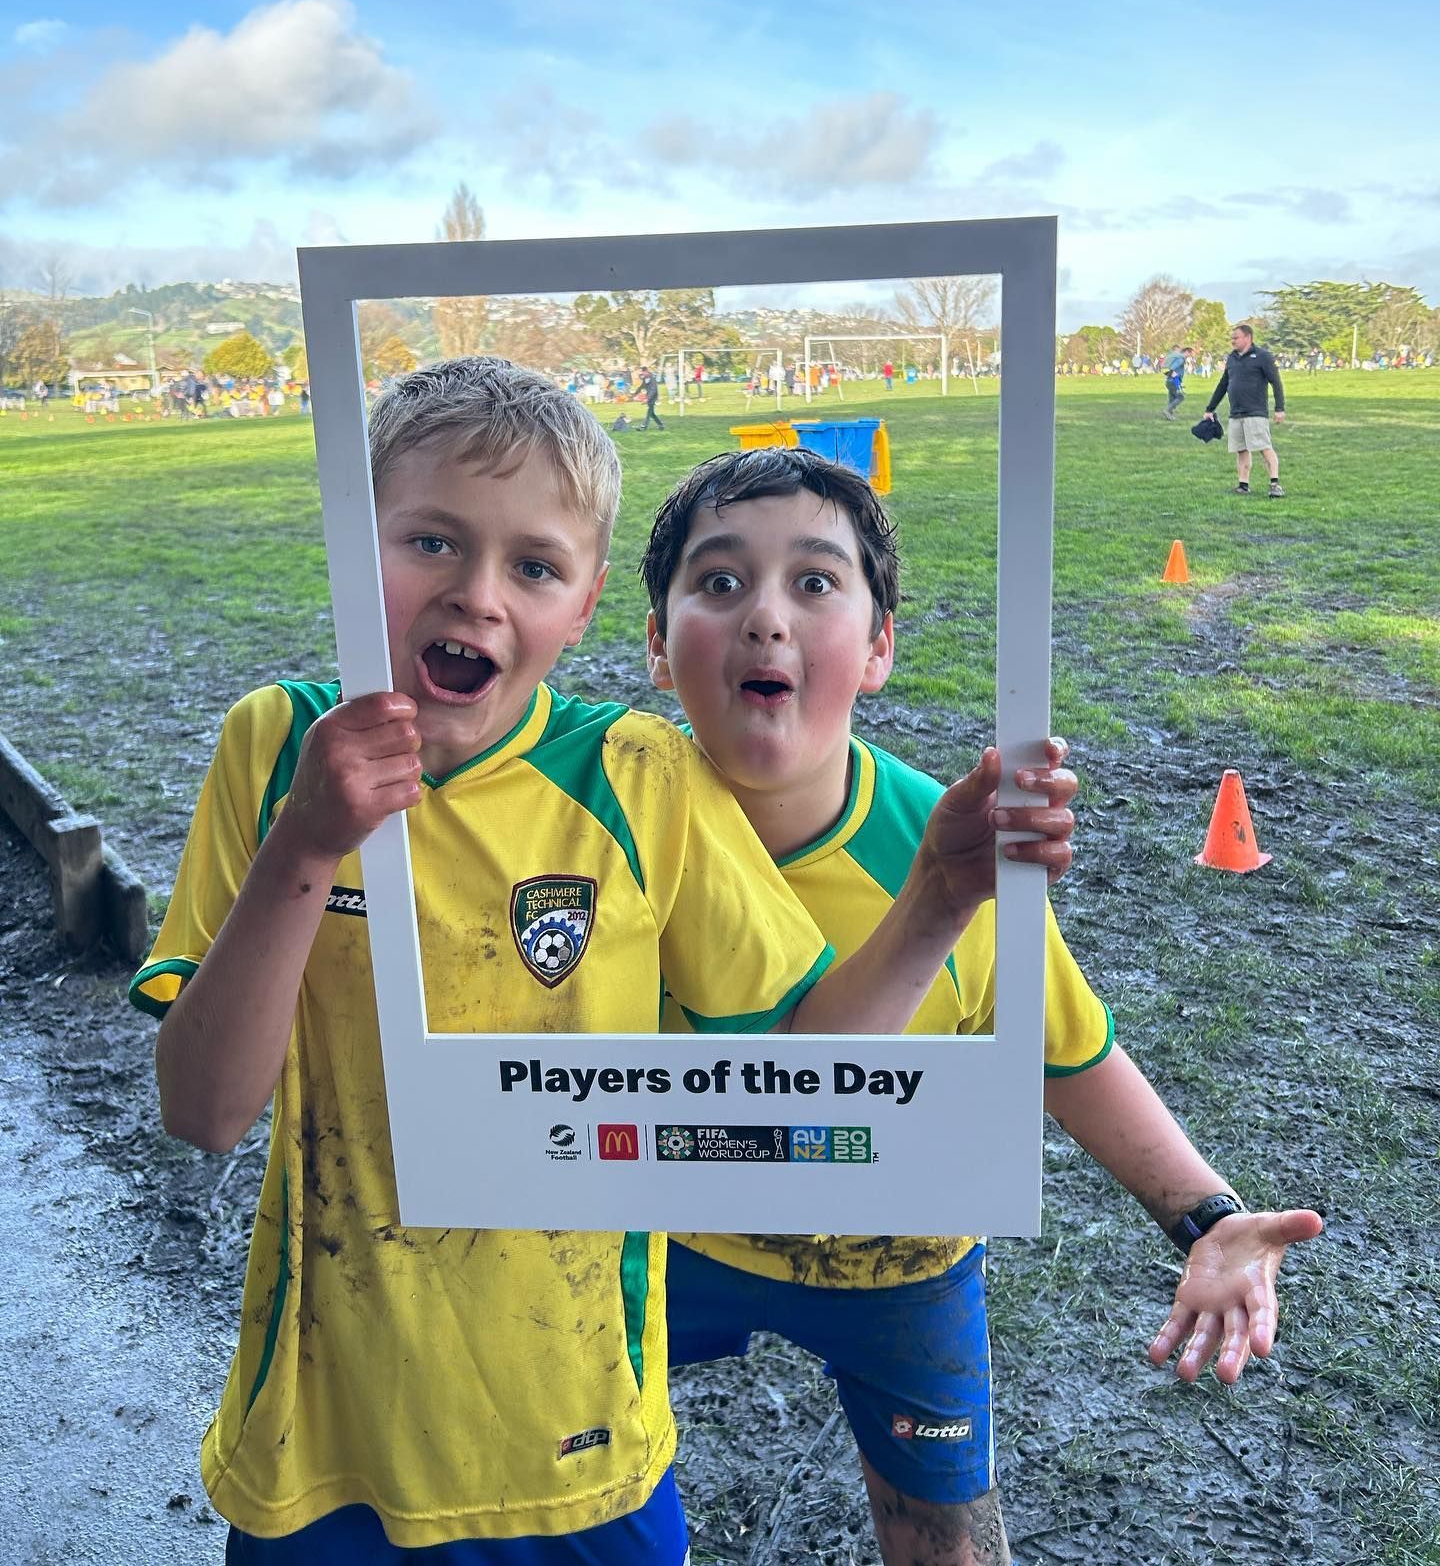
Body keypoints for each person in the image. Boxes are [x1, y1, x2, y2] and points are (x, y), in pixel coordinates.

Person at [130, 358, 1053, 1564]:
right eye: (429, 544)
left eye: (534, 566)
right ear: (356, 549)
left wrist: (937, 895)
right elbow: (202, 1112)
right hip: (324, 1442)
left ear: (587, 603)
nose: (476, 596)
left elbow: (803, 1073)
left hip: (579, 1451)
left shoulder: (640, 776)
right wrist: (310, 840)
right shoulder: (274, 745)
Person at [639, 446, 1324, 1566]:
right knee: (571, 1487)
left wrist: (1207, 1216)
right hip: (660, 1233)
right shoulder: (601, 834)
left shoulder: (958, 846)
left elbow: (1064, 1049)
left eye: (815, 584)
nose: (766, 616)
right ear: (660, 649)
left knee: (947, 1541)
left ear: (879, 649)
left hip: (892, 1257)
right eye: (719, 583)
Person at [1204, 324, 1287, 496]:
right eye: (1232, 338)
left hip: (1255, 412)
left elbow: (1276, 382)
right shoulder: (1232, 358)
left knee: (1264, 446)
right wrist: (1210, 408)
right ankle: (1243, 485)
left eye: (1236, 337)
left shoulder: (1263, 356)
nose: (1232, 341)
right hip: (1236, 413)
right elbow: (1223, 384)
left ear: (1248, 338)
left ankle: (1275, 484)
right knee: (1241, 450)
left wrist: (1279, 408)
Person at [1162, 345, 1190, 419]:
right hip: (1174, 381)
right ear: (1186, 352)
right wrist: (1176, 378)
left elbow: (1168, 369)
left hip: (1169, 381)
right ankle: (1167, 410)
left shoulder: (1173, 358)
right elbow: (1172, 368)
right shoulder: (1181, 359)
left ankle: (1169, 415)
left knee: (1172, 398)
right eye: (1189, 353)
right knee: (1180, 397)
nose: (1190, 355)